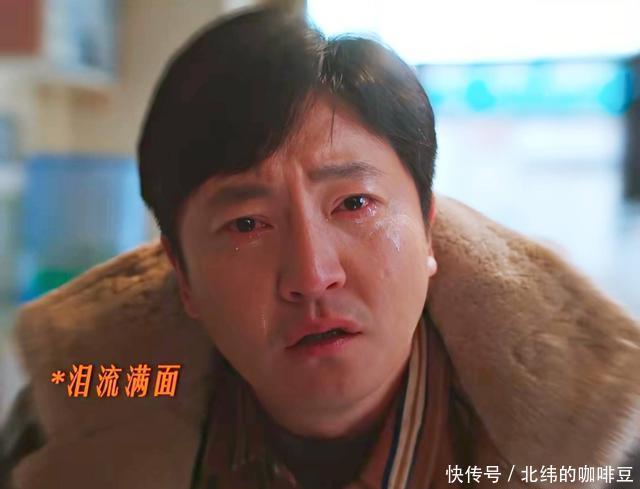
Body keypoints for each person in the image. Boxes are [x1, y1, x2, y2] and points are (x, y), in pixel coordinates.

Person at [3, 7, 640, 489]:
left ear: (427, 229)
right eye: (247, 224)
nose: (312, 276)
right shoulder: (67, 418)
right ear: (183, 275)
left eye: (354, 204)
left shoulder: (605, 440)